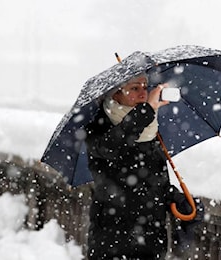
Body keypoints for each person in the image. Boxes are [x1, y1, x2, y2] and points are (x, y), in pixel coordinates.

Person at [84, 74, 201, 259]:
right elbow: (113, 150)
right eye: (134, 88)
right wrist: (147, 111)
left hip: (151, 244)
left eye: (145, 87)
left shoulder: (150, 133)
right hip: (112, 243)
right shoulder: (98, 129)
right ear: (115, 95)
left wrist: (178, 199)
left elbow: (154, 184)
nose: (143, 94)